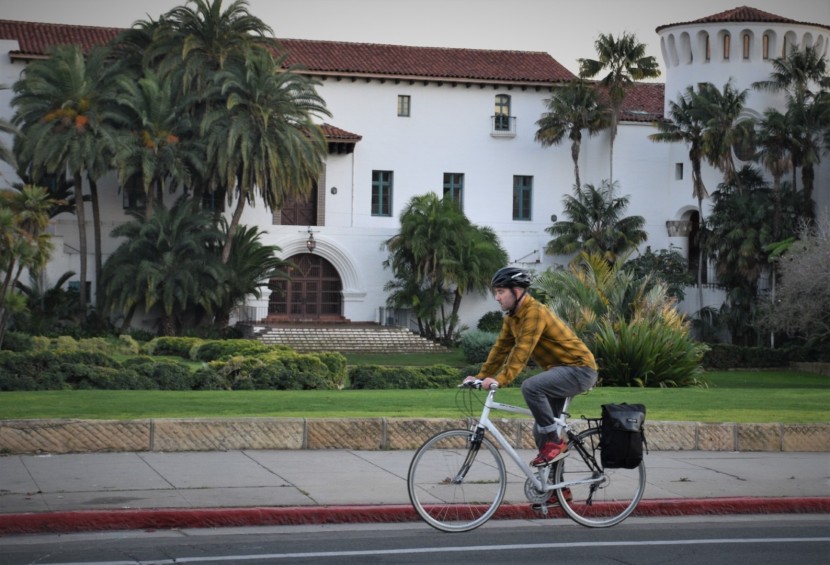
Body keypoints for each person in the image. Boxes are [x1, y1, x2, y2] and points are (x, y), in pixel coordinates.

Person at [463, 266, 598, 467]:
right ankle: (554, 491)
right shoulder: (511, 317)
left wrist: (500, 380)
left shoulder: (534, 312)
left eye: (500, 292)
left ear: (516, 292)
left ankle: (555, 442)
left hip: (580, 369)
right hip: (560, 371)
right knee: (540, 430)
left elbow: (522, 351)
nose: (497, 298)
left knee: (531, 387)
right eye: (496, 293)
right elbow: (501, 349)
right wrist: (481, 376)